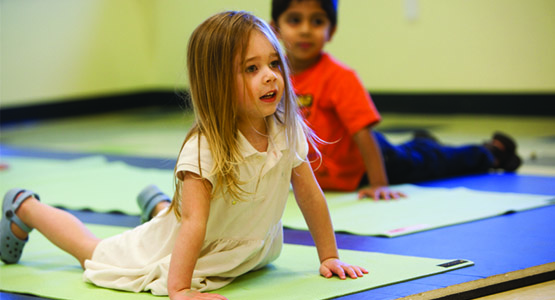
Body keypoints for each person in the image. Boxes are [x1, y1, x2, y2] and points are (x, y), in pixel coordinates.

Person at [0, 11, 367, 300]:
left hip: (240, 248)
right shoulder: (205, 147)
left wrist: (329, 255)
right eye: (251, 69)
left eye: (273, 63)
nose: (270, 76)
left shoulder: (286, 130)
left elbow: (309, 193)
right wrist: (179, 289)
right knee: (94, 253)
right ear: (218, 83)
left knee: (188, 213)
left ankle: (160, 208)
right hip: (194, 241)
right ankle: (26, 207)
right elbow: (193, 223)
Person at [270, 0, 522, 200]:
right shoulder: (273, 78)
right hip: (330, 175)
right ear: (273, 29)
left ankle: (490, 153)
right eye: (294, 20)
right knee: (420, 153)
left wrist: (379, 184)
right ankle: (422, 143)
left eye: (317, 21)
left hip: (373, 163)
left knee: (433, 163)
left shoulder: (339, 76)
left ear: (331, 31)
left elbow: (363, 132)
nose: (305, 29)